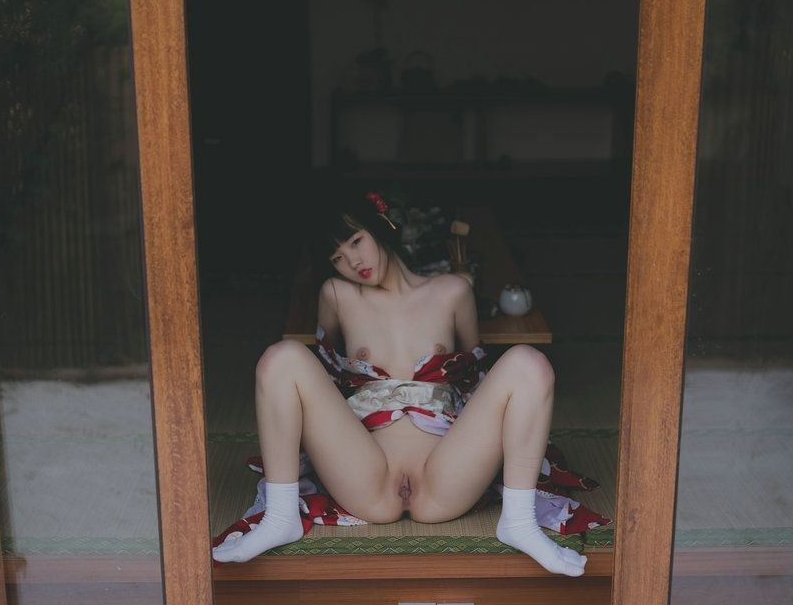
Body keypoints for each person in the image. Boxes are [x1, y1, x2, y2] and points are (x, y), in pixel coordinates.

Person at [212, 192, 586, 576]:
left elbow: (475, 373)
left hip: (446, 477)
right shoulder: (337, 294)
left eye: (356, 241)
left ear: (380, 228)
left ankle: (519, 522)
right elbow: (323, 369)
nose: (354, 262)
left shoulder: (453, 290)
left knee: (529, 362)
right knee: (281, 357)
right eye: (337, 258)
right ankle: (280, 516)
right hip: (366, 477)